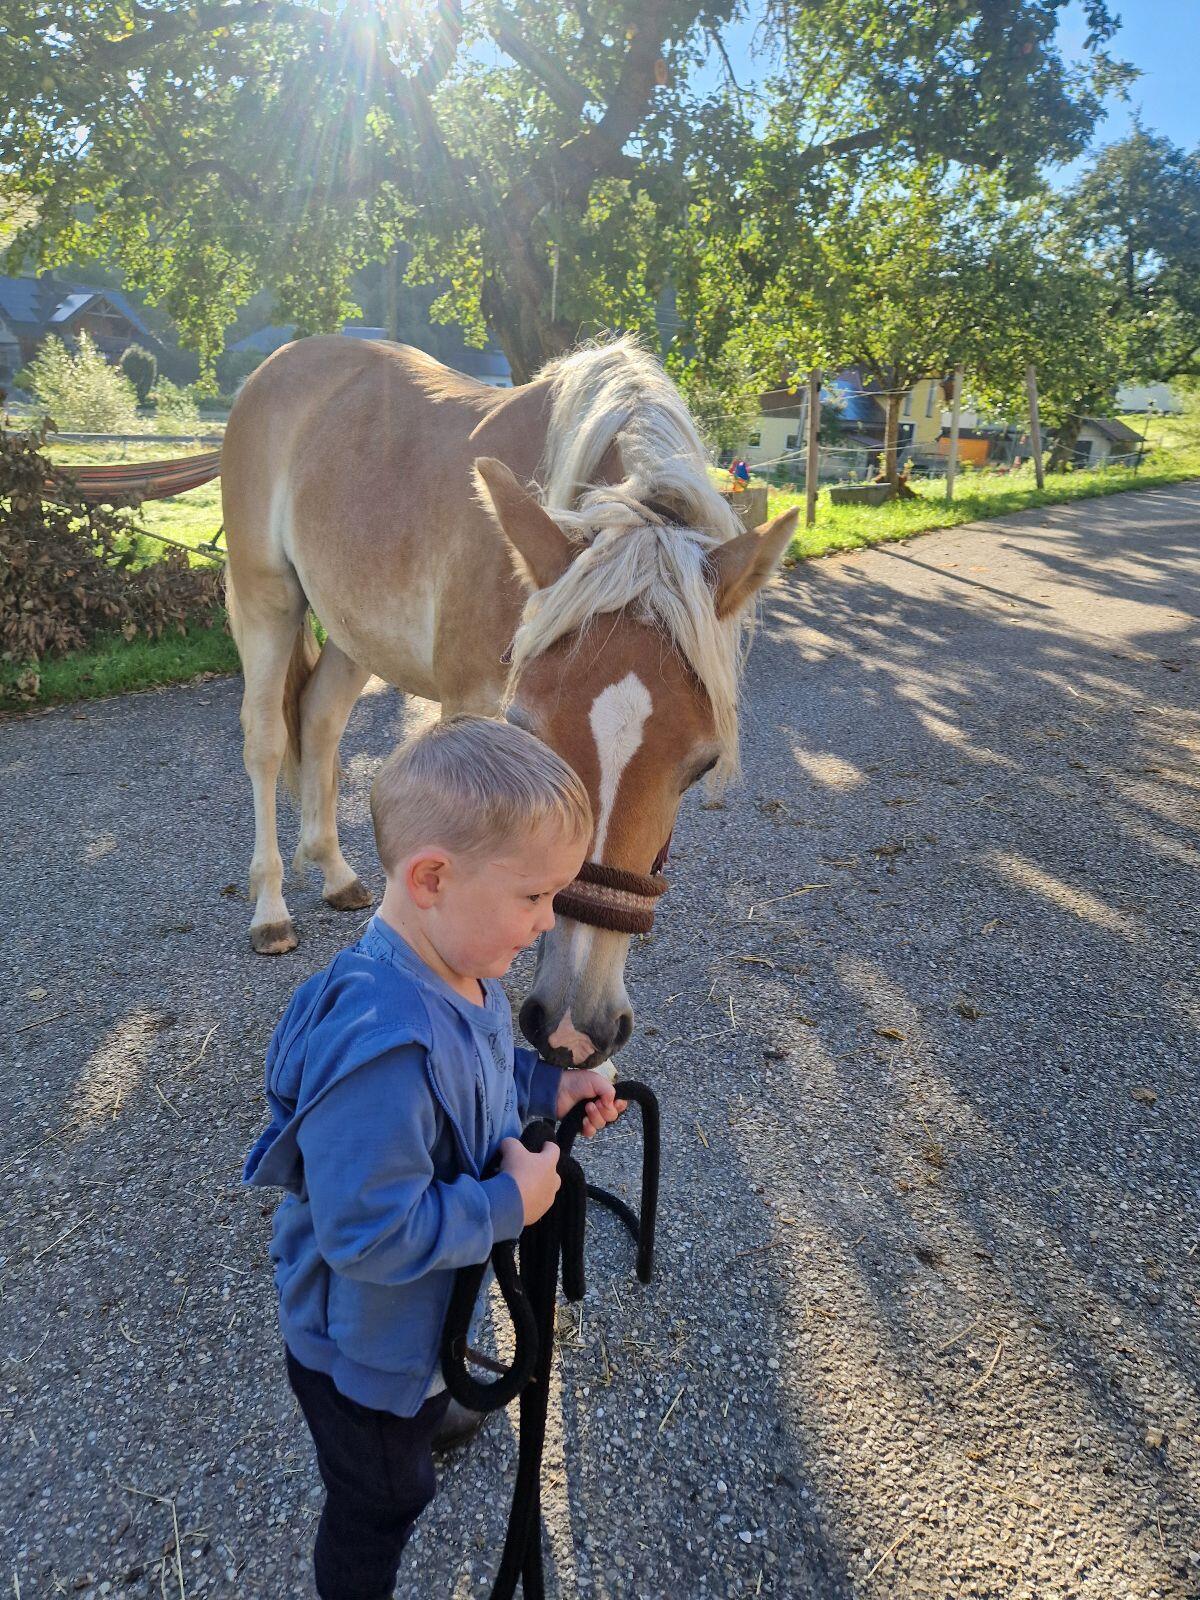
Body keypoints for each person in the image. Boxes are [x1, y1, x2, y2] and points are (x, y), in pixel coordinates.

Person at [243, 715, 625, 1600]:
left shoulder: (463, 966)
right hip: (361, 1355)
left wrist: (544, 1089)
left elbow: (479, 1079)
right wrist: (509, 1206)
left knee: (418, 1423)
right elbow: (367, 1236)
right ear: (431, 878)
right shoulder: (381, 1054)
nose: (544, 927)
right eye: (533, 898)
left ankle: (431, 1406)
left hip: (419, 1327)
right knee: (385, 1494)